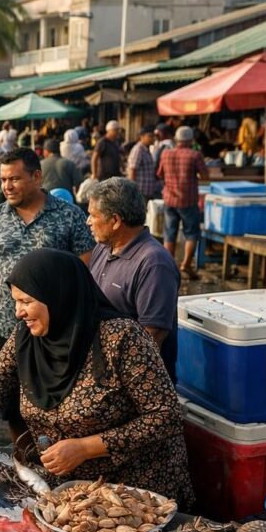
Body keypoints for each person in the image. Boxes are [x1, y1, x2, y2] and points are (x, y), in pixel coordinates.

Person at [0, 249, 194, 509]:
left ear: (57, 294)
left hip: (134, 493)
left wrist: (86, 447)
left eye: (26, 301)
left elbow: (165, 416)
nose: (18, 312)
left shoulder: (122, 338)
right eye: (15, 301)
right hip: (69, 492)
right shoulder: (27, 338)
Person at [0, 147, 95, 444]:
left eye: (15, 179)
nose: (7, 186)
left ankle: (60, 457)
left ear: (37, 177)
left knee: (58, 400)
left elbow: (85, 270)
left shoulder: (69, 216)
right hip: (3, 327)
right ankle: (24, 458)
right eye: (4, 179)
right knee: (11, 404)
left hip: (54, 333)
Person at [86, 178, 180, 380]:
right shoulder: (104, 248)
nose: (88, 221)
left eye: (93, 215)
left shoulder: (154, 263)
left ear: (116, 220)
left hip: (136, 382)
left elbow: (152, 336)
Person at [156, 125, 207, 279]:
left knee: (169, 233)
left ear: (177, 139)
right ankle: (185, 264)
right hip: (188, 200)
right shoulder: (195, 155)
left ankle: (169, 266)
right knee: (191, 233)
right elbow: (205, 176)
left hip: (170, 198)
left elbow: (159, 174)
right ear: (190, 140)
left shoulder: (166, 154)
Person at [126, 128, 161, 203]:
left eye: (153, 136)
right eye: (149, 136)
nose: (152, 138)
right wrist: (132, 190)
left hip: (147, 191)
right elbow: (132, 170)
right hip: (140, 192)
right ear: (141, 137)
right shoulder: (138, 149)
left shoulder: (146, 149)